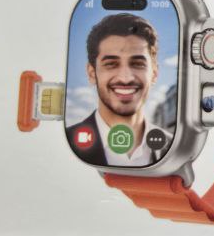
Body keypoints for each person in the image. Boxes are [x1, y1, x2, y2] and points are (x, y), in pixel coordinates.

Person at [67, 13, 173, 167]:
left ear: (154, 73)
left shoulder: (173, 148)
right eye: (111, 64)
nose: (125, 78)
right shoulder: (66, 144)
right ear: (92, 73)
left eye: (137, 64)